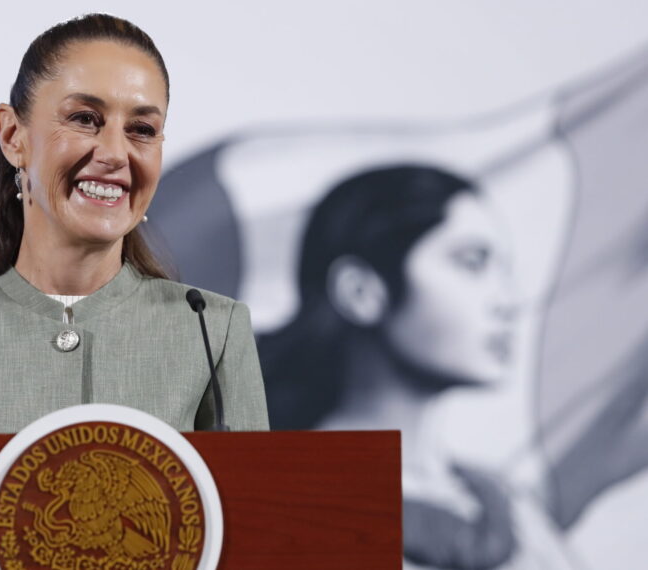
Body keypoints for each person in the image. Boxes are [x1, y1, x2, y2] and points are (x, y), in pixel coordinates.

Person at [0, 14, 270, 435]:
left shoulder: (212, 327)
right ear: (13, 135)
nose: (115, 153)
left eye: (142, 129)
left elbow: (251, 500)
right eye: (85, 118)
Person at [259, 164, 648, 569]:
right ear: (360, 291)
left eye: (504, 272)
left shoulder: (509, 509)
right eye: (472, 262)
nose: (508, 301)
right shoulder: (280, 506)